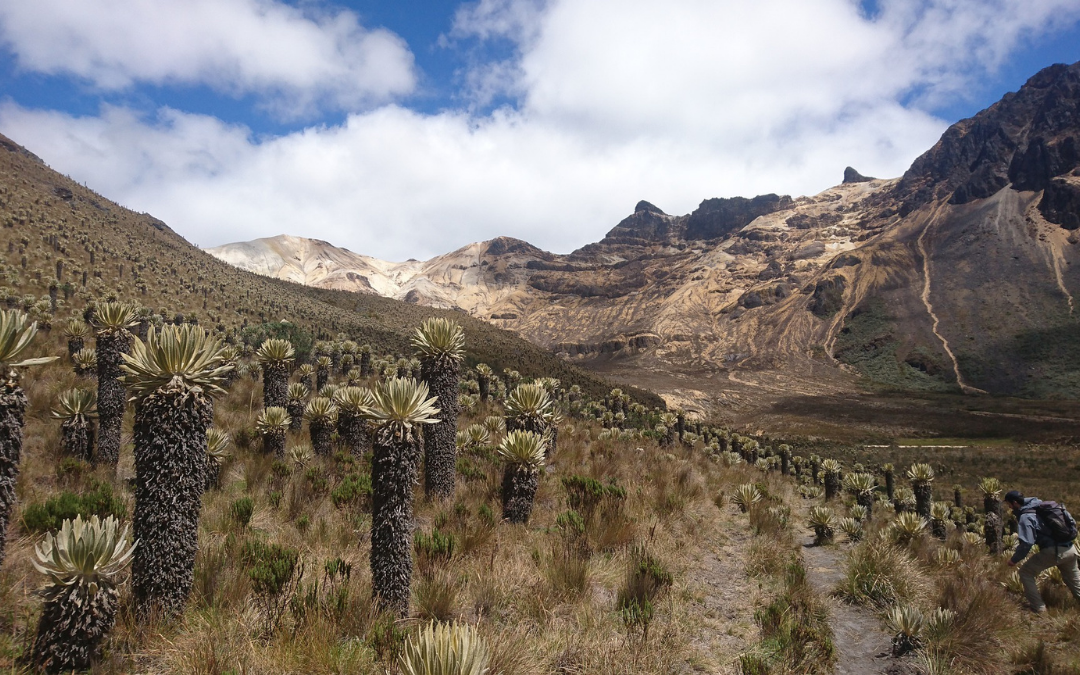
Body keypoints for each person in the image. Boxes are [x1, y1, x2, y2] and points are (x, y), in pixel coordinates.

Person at [1005, 490, 1080, 613]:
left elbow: (1027, 543)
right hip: (1070, 549)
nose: (1009, 507)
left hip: (1053, 551)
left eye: (1009, 504)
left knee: (1025, 572)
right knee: (1075, 580)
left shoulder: (1026, 516)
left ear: (1015, 503)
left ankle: (1038, 607)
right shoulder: (1040, 505)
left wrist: (1014, 560)